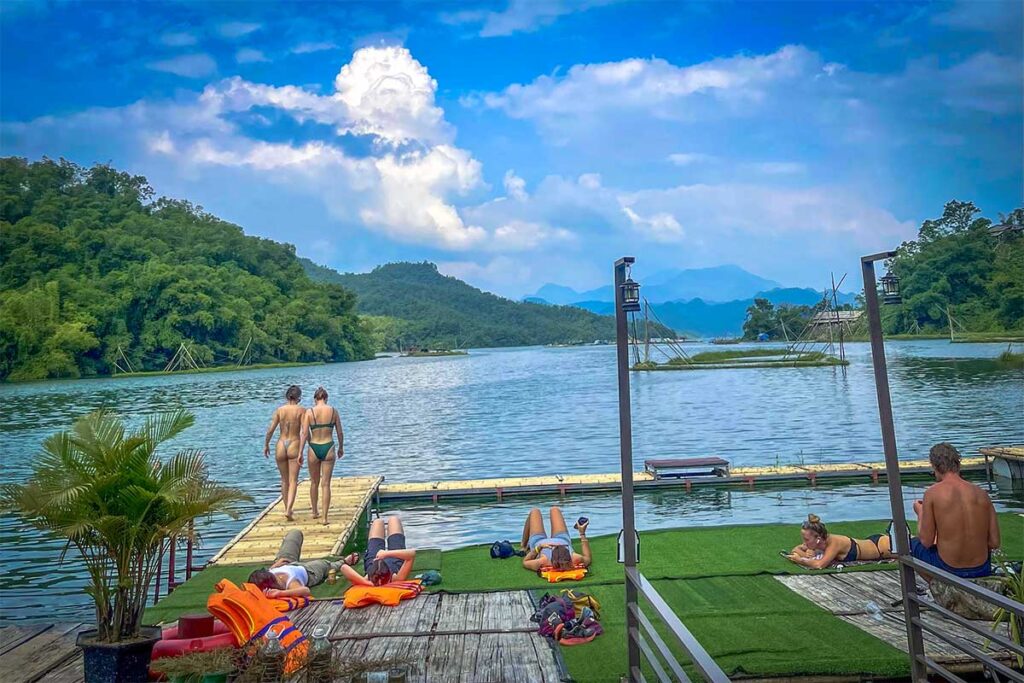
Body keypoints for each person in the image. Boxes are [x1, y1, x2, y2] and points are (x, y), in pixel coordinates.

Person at [910, 442, 999, 579]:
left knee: (912, 545)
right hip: (981, 568)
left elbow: (926, 541)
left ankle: (938, 589)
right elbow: (994, 542)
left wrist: (920, 513)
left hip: (949, 569)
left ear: (935, 466)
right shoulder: (982, 494)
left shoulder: (932, 493)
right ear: (958, 465)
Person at [248, 530, 359, 598]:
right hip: (308, 571)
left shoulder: (268, 575)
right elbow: (305, 591)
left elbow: (268, 572)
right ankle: (344, 561)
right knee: (327, 565)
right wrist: (279, 594)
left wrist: (275, 566)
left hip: (285, 563)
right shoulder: (290, 582)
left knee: (294, 534)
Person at [299, 386, 345, 526]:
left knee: (314, 482)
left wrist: (300, 452)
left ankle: (314, 512)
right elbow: (340, 432)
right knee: (326, 484)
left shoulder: (309, 412)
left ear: (315, 399)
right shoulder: (333, 411)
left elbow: (305, 434)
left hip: (313, 447)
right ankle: (325, 517)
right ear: (326, 398)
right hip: (328, 446)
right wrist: (341, 447)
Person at [785, 514, 895, 569]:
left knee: (910, 547)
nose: (804, 542)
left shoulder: (834, 543)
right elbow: (795, 550)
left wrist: (800, 560)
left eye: (806, 539)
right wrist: (808, 552)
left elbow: (819, 565)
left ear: (818, 539)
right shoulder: (817, 542)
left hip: (882, 547)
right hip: (870, 542)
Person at [337, 516, 418, 587]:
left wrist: (366, 582)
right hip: (394, 559)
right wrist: (386, 553)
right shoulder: (397, 578)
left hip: (372, 559)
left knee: (377, 522)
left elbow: (344, 568)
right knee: (394, 519)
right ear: (390, 574)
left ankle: (380, 522)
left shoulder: (367, 579)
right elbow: (411, 554)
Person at [264, 385, 305, 521]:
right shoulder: (301, 410)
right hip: (294, 443)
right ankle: (288, 510)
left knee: (284, 480)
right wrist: (305, 448)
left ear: (287, 396)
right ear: (298, 397)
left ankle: (287, 507)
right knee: (293, 480)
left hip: (281, 444)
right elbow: (304, 432)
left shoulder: (280, 410)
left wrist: (266, 444)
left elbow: (270, 429)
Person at [520, 506, 592, 572]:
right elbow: (588, 558)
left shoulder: (543, 562)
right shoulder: (576, 559)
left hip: (539, 541)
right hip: (562, 539)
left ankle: (523, 545)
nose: (563, 566)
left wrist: (539, 547)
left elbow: (525, 562)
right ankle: (523, 545)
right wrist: (582, 533)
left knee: (535, 511)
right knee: (555, 509)